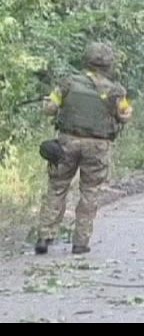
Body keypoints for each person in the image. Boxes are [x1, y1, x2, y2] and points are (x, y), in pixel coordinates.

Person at [35, 42, 133, 255]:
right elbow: (125, 115)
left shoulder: (68, 83)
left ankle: (45, 236)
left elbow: (49, 109)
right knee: (90, 192)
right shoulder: (115, 91)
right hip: (98, 146)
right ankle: (80, 242)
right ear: (109, 63)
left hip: (67, 143)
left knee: (57, 187)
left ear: (86, 60)